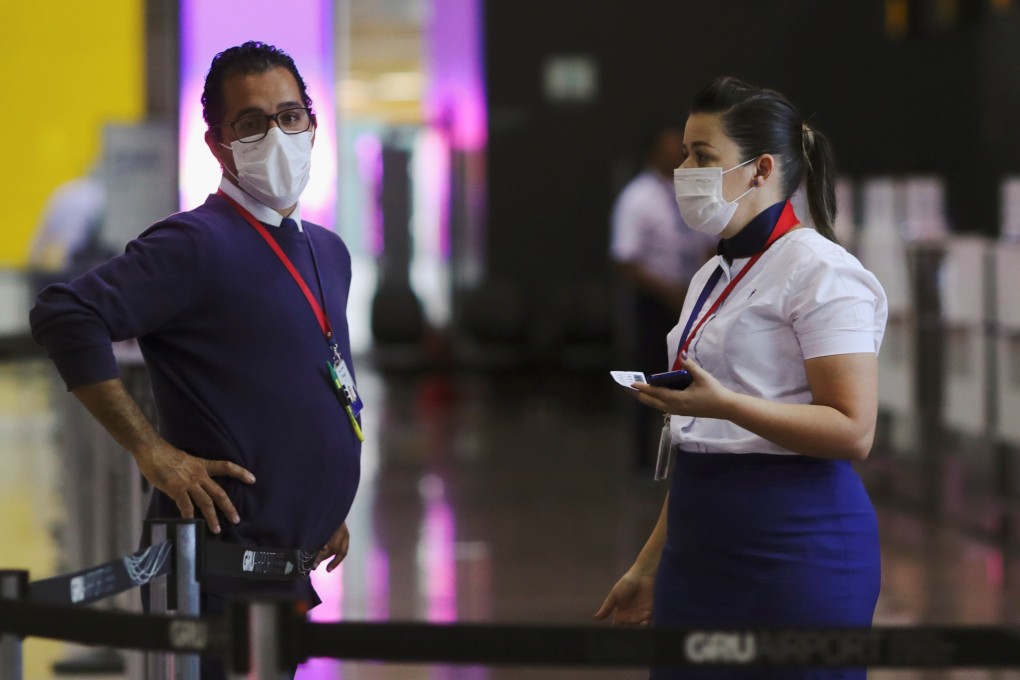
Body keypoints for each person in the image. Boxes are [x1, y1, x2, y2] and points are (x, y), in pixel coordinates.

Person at [30, 41, 362, 679]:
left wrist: (322, 503)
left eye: (291, 115)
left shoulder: (327, 251)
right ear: (217, 144)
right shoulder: (195, 244)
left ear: (313, 125)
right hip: (215, 573)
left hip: (289, 565)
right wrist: (152, 451)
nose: (279, 133)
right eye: (253, 122)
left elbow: (311, 380)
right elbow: (66, 314)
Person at [595, 77, 887, 680]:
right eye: (683, 153)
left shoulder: (823, 272)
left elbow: (853, 429)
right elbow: (703, 441)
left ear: (760, 170)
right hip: (699, 544)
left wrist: (726, 404)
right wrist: (649, 564)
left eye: (704, 156)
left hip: (795, 543)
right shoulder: (714, 272)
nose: (685, 169)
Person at [610, 125, 716, 475]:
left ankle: (691, 455)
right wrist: (666, 290)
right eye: (675, 149)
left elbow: (706, 242)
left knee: (694, 377)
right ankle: (644, 464)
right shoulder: (637, 198)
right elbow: (625, 258)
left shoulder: (691, 195)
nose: (681, 157)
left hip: (693, 299)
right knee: (650, 382)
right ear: (654, 152)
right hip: (655, 301)